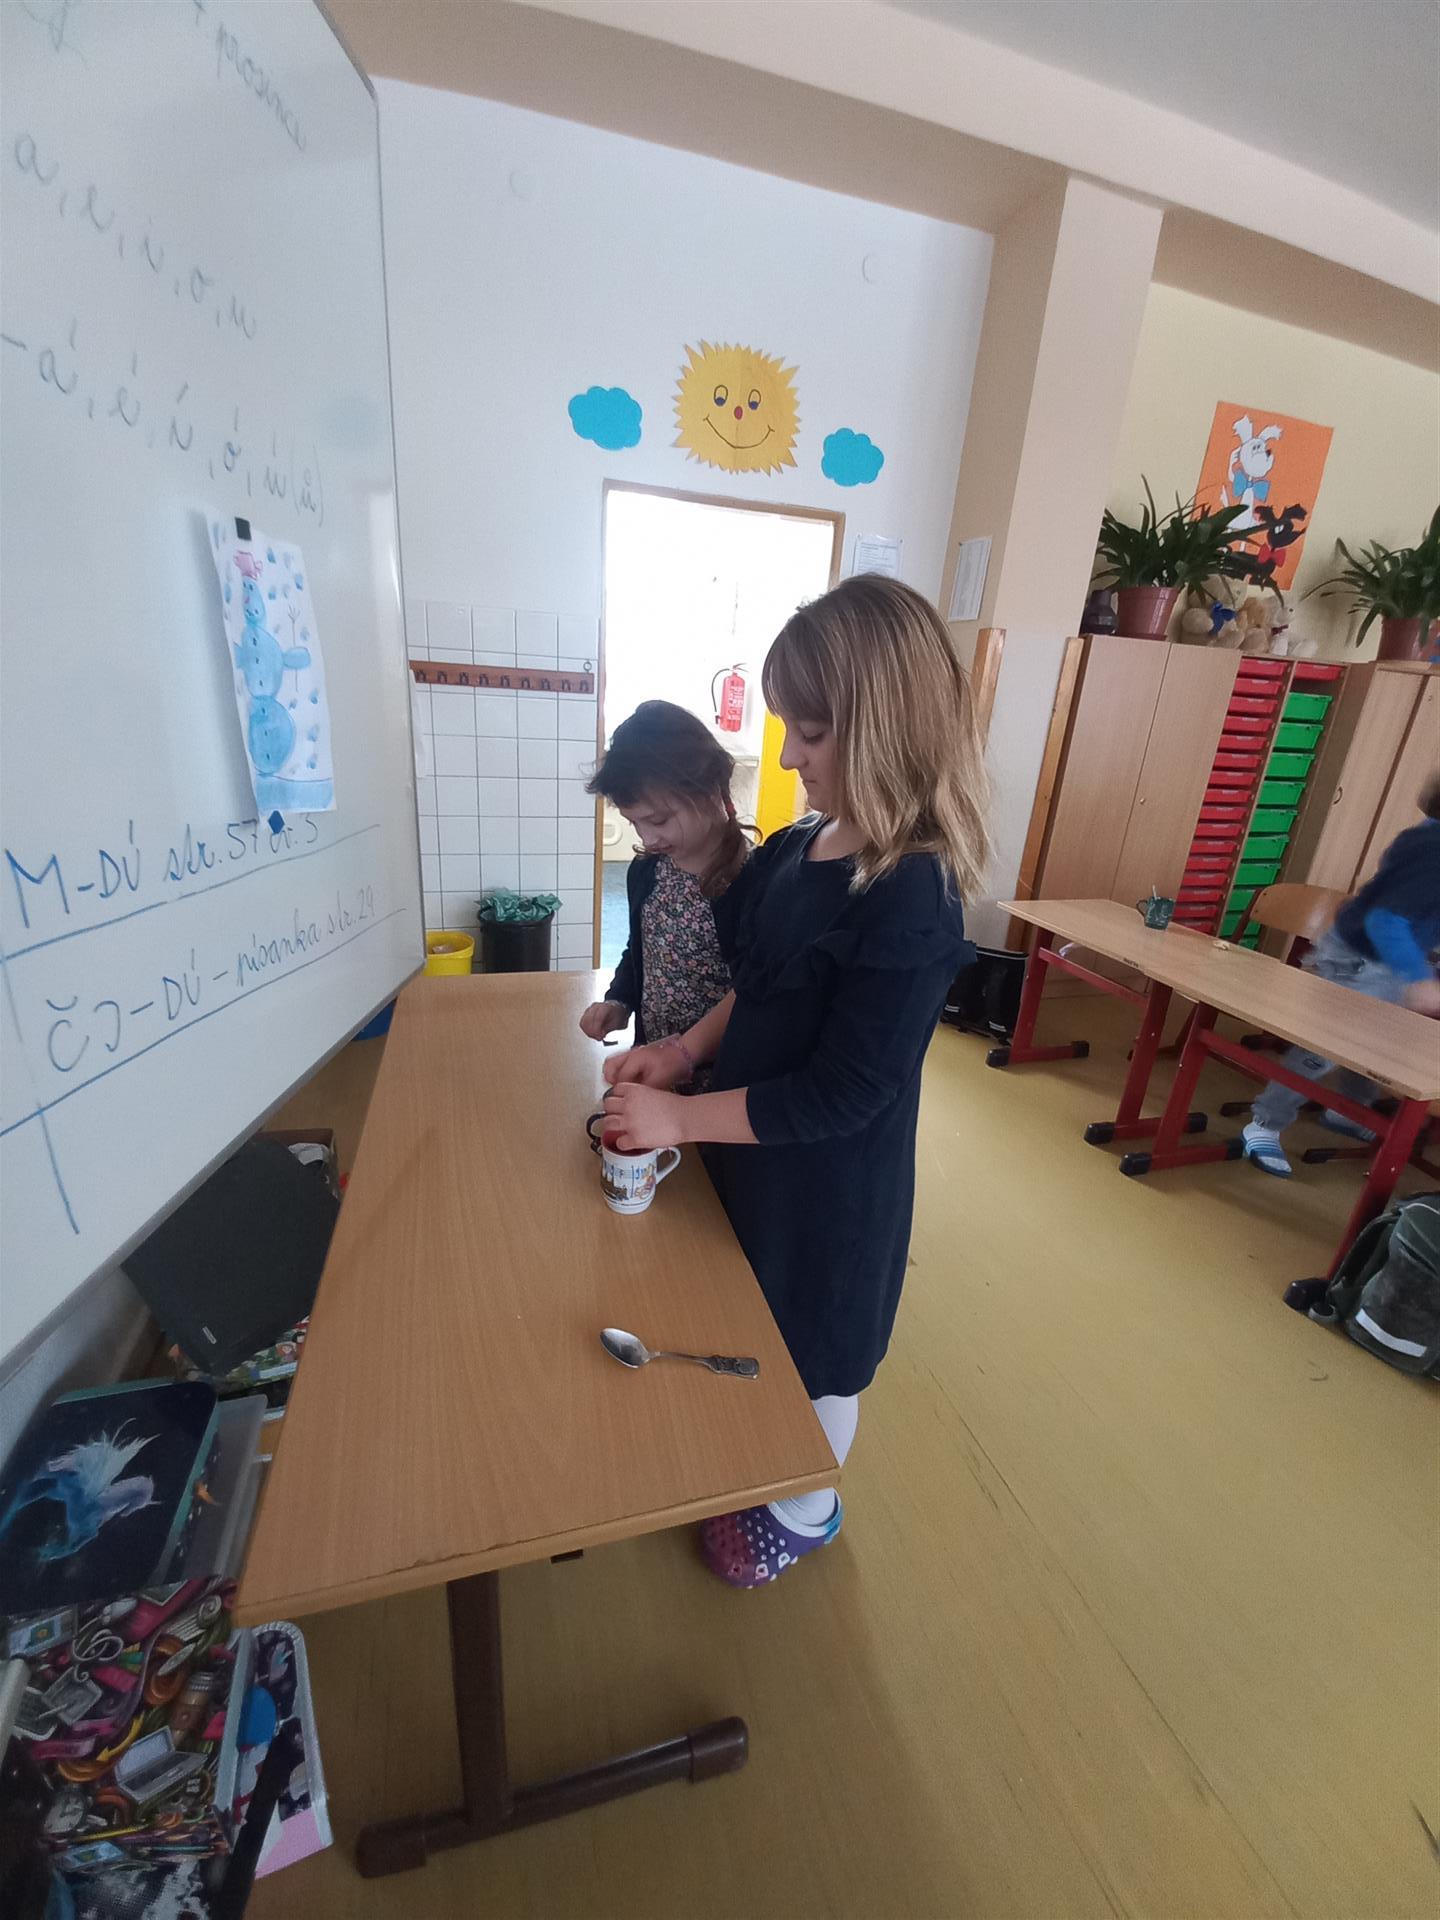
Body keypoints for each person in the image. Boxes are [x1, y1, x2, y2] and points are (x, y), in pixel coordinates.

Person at [602, 576, 989, 1587]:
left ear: (886, 727)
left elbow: (840, 1095)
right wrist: (683, 1053)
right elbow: (762, 987)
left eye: (809, 734)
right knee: (747, 1313)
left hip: (831, 1193)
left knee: (816, 1357)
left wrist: (681, 1112)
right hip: (754, 1154)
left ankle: (807, 1507)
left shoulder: (912, 896)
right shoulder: (795, 851)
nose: (785, 758)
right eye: (786, 729)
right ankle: (752, 1453)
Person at [1242, 771, 1440, 1179]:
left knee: (1375, 1044)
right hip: (1360, 957)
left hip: (1386, 958)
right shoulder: (1432, 850)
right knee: (1325, 1048)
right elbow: (1387, 920)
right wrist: (1418, 977)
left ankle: (1346, 1112)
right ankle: (1264, 1122)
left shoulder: (1428, 837)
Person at [579, 701, 754, 1085]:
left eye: (658, 820)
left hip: (724, 1083)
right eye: (634, 823)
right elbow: (641, 949)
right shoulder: (648, 871)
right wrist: (619, 1000)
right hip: (656, 1072)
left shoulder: (753, 880)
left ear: (711, 790)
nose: (648, 838)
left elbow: (756, 993)